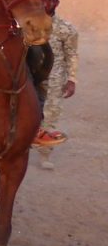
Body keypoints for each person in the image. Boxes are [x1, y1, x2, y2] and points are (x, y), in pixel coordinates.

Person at [34, 14, 78, 169]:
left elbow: (72, 54)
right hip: (31, 77)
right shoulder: (28, 24)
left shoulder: (66, 28)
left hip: (54, 80)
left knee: (50, 115)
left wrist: (72, 79)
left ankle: (45, 153)